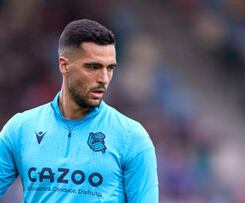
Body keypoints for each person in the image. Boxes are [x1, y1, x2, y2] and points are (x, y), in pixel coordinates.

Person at [0, 19, 159, 202]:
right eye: (93, 67)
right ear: (64, 65)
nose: (104, 78)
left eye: (110, 68)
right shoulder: (20, 129)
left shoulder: (131, 136)